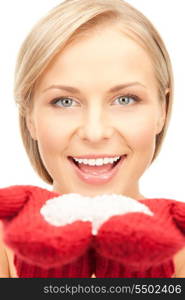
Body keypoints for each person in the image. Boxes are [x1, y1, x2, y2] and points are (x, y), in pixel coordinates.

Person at [0, 0, 185, 278]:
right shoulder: (6, 241)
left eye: (125, 99)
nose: (95, 132)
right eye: (64, 101)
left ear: (163, 110)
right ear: (29, 118)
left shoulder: (179, 245)